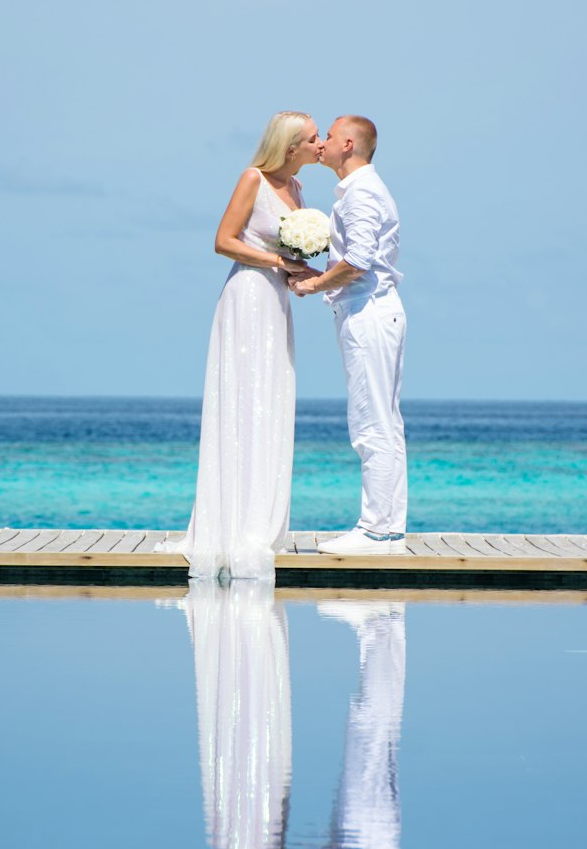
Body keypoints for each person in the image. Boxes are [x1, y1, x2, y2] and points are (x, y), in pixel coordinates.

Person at [165, 111, 320, 579]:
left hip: (276, 300)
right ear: (290, 146)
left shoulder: (297, 191)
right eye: (314, 139)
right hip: (247, 295)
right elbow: (223, 241)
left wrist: (300, 270)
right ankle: (228, 521)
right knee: (241, 402)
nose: (321, 145)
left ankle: (260, 519)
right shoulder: (252, 179)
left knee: (270, 402)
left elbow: (289, 255)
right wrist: (277, 259)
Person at [291, 116, 407, 555]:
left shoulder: (361, 193)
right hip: (373, 310)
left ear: (349, 144)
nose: (320, 144)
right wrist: (322, 276)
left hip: (369, 313)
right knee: (384, 422)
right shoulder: (362, 191)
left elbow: (358, 260)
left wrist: (313, 285)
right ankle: (388, 528)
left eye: (329, 137)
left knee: (370, 424)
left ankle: (376, 529)